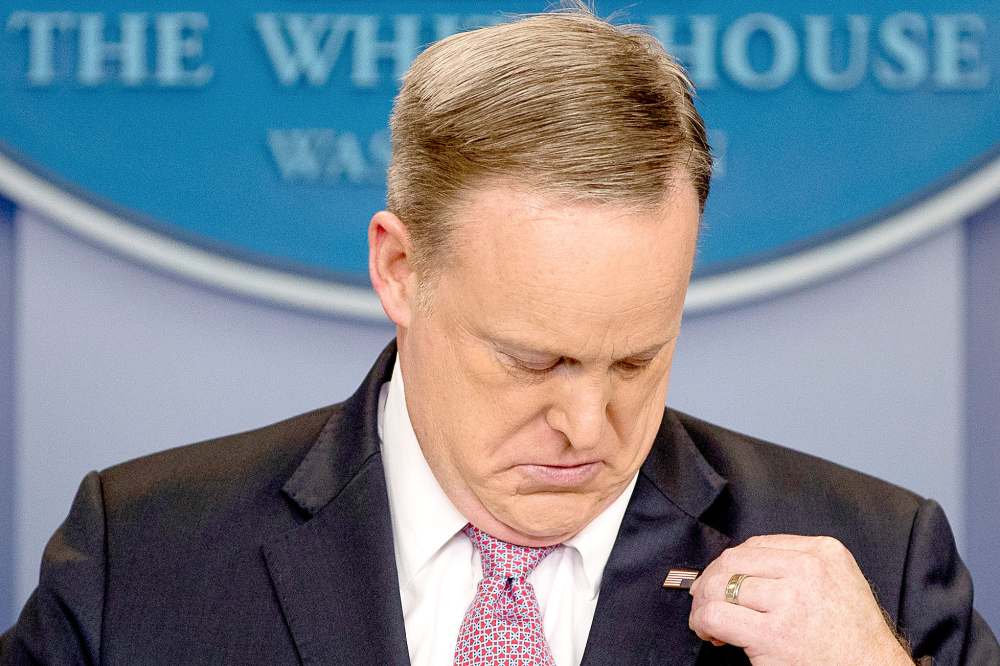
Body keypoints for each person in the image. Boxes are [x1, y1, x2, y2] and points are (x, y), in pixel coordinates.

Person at [2, 7, 997, 666]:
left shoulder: (880, 566)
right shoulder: (142, 555)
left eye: (636, 358)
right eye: (534, 360)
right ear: (400, 269)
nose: (588, 424)